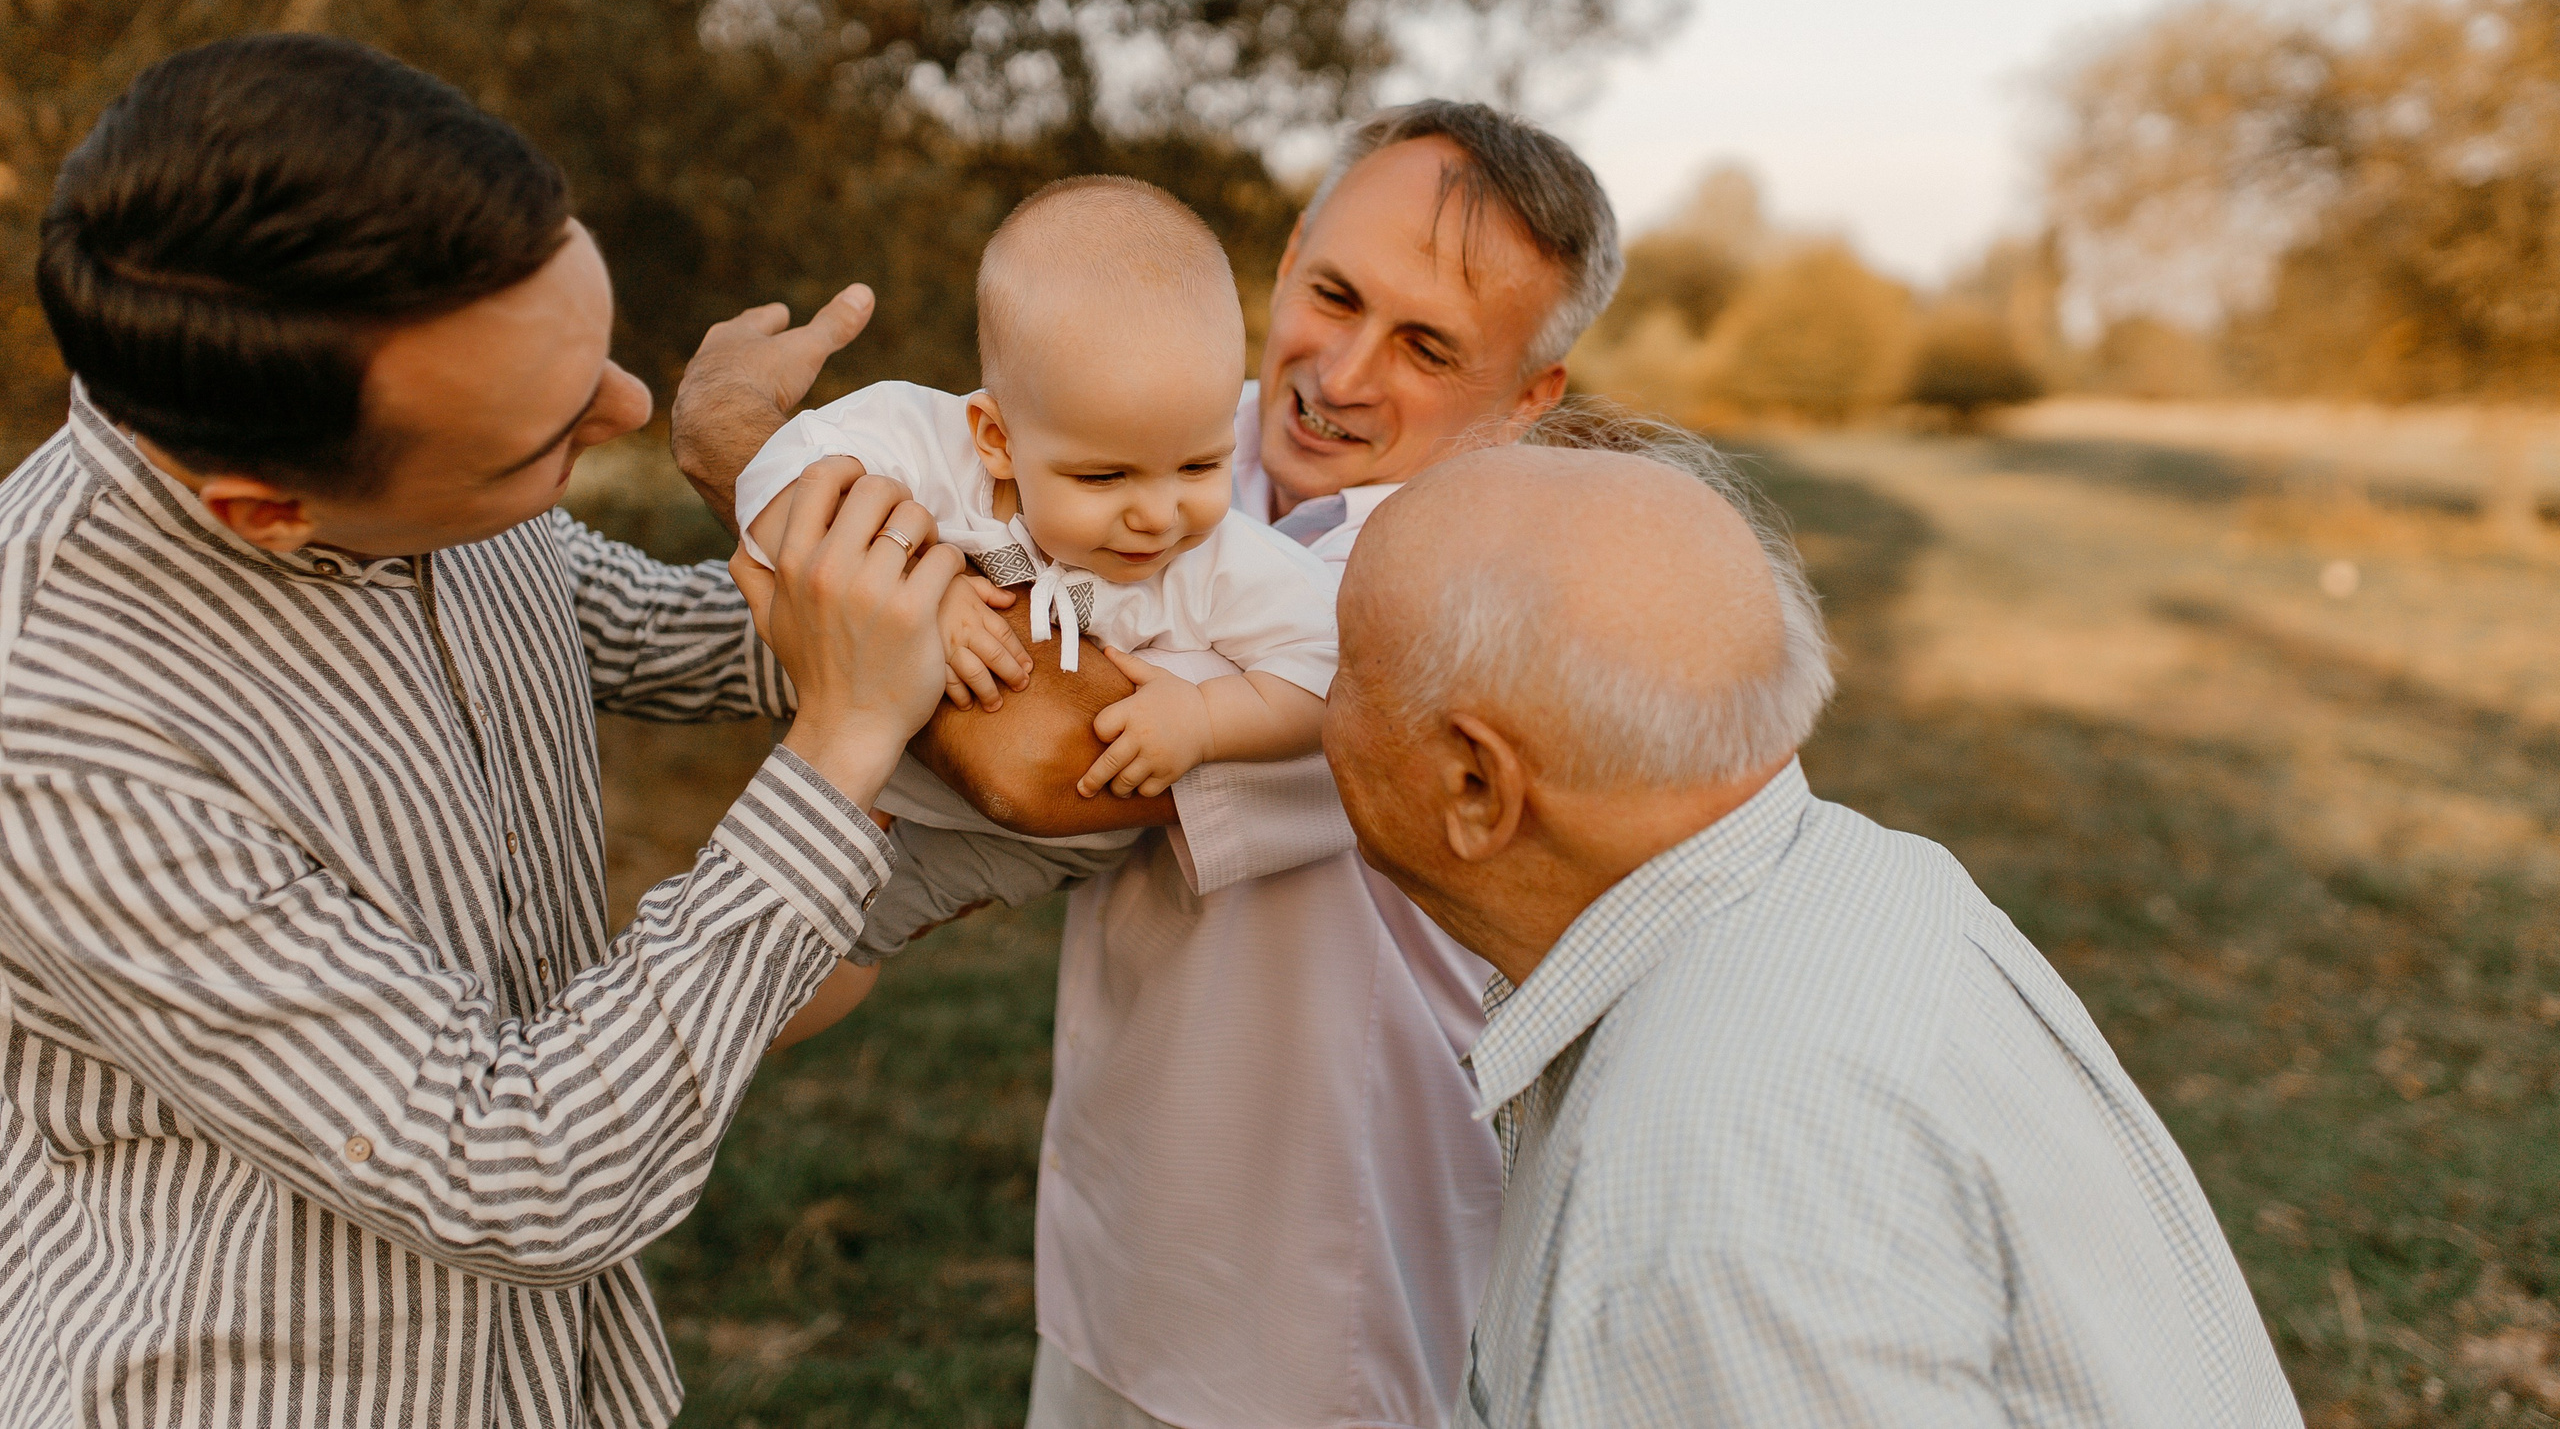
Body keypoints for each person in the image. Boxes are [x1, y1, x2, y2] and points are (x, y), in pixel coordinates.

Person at [0, 34, 959, 1429]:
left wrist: (878, 531)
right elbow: (519, 1170)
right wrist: (842, 751)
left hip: (552, 1380)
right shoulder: (62, 734)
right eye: (546, 439)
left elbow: (644, 627)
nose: (631, 406)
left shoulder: (395, 432)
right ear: (267, 511)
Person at [674, 101, 1622, 1428]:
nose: (1343, 373)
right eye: (1334, 294)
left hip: (1322, 1302)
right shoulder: (1170, 431)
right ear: (1285, 259)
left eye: (1426, 347)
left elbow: (1036, 752)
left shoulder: (1472, 593)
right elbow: (957, 468)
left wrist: (734, 444)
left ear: (1528, 397)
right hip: (1122, 1230)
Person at [1324, 439, 2304, 1428]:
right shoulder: (1870, 880)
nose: (1312, 694)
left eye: (1341, 661)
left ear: (1476, 785)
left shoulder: (1697, 1216)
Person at [731, 176, 1340, 961]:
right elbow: (779, 472)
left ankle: (806, 959)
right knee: (785, 878)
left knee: (832, 938)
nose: (1159, 515)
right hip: (865, 755)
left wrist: (1206, 718)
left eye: (1199, 464)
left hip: (1035, 835)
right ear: (997, 439)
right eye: (1105, 476)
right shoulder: (928, 444)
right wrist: (924, 582)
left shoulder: (1223, 561)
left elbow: (1328, 668)